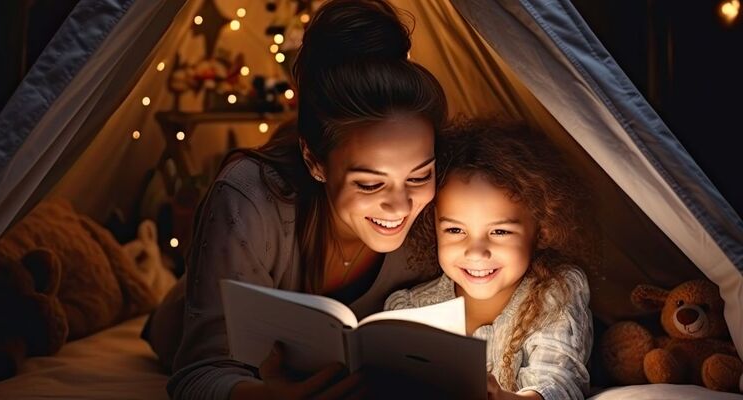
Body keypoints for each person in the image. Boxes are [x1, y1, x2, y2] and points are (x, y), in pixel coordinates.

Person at [144, 1, 448, 399]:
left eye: (418, 176)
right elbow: (198, 373)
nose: (402, 206)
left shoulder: (443, 209)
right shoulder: (247, 199)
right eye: (370, 184)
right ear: (314, 161)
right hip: (183, 318)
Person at [386, 118, 596, 400]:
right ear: (433, 225)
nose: (476, 252)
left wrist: (501, 397)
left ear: (541, 229)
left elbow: (558, 381)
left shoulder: (555, 292)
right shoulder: (410, 308)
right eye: (455, 230)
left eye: (499, 231)